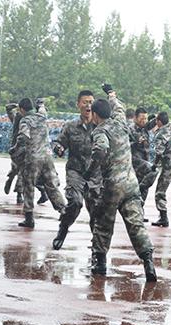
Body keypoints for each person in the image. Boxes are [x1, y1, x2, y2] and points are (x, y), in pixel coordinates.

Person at [86, 84, 156, 282]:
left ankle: (100, 263)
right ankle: (148, 262)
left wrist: (90, 170)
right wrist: (111, 93)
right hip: (131, 182)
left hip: (113, 185)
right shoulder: (120, 122)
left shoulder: (100, 131)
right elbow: (118, 106)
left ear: (95, 115)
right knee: (136, 225)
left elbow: (100, 150)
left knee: (103, 223)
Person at [52, 90, 99, 249]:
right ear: (78, 104)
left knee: (96, 208)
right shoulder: (70, 127)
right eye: (85, 102)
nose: (88, 105)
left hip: (95, 174)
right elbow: (59, 143)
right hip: (76, 171)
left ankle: (97, 245)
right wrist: (58, 148)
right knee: (75, 202)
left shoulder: (100, 126)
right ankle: (63, 229)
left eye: (91, 102)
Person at [16, 98, 66, 228]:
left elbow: (23, 136)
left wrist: (15, 148)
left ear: (22, 109)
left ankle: (29, 218)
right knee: (51, 185)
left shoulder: (25, 120)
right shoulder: (42, 116)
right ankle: (63, 210)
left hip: (33, 158)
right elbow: (43, 109)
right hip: (47, 156)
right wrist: (41, 104)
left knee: (28, 186)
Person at [129, 108, 158, 205]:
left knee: (144, 190)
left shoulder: (145, 128)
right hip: (135, 161)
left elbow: (153, 123)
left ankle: (139, 208)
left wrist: (156, 117)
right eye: (142, 118)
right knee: (153, 170)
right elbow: (125, 144)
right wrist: (136, 142)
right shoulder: (130, 129)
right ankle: (139, 189)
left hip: (144, 160)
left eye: (145, 118)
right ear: (135, 118)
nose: (144, 121)